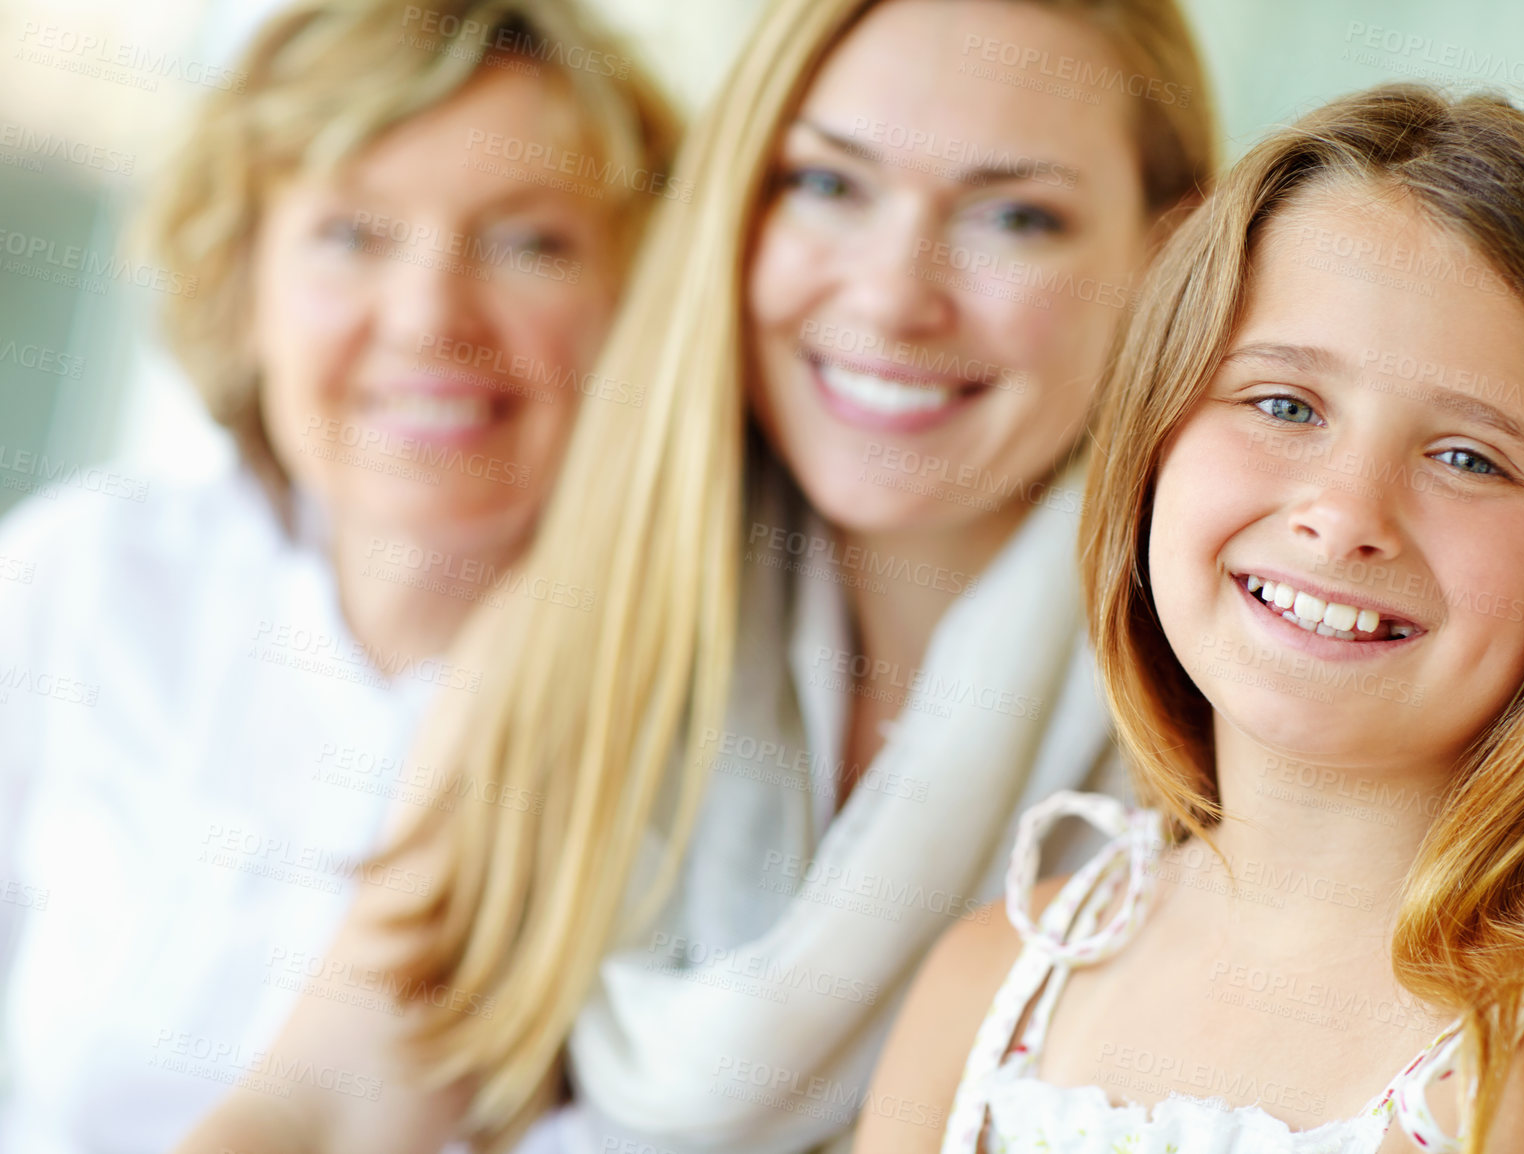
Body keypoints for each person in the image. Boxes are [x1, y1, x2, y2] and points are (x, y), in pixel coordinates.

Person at [174, 0, 1216, 1150]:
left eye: (1016, 215)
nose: (889, 297)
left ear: (1167, 253)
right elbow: (330, 1102)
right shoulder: (587, 614)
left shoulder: (1227, 704)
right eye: (828, 185)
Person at [858, 83, 1524, 1154]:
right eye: (1283, 404)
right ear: (1150, 440)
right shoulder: (994, 979)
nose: (1344, 515)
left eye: (1468, 457)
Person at [0, 1, 678, 1150]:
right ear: (240, 282)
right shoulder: (89, 577)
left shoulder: (711, 674)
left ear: (642, 300)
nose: (427, 317)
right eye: (352, 236)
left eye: (528, 242)